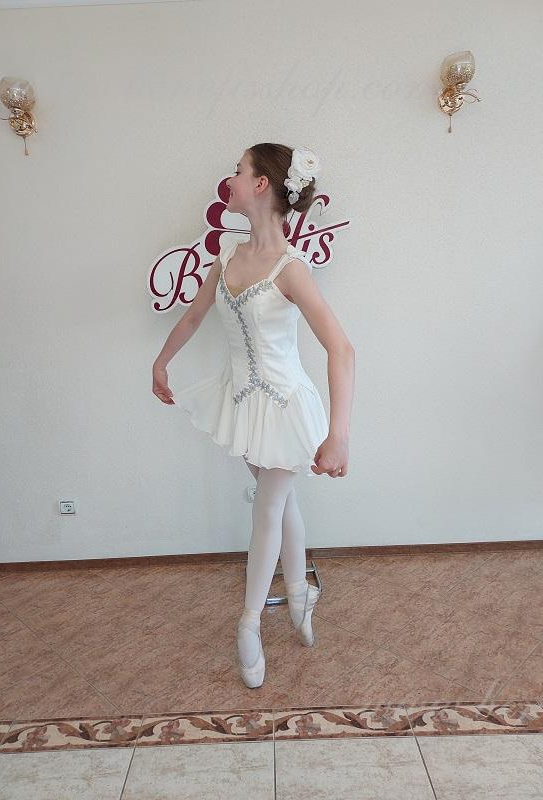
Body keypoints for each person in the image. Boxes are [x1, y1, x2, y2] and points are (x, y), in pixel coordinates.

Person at [152, 143, 355, 689]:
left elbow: (342, 348)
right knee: (282, 503)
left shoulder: (292, 269)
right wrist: (162, 362)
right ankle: (300, 597)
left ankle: (249, 623)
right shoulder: (227, 257)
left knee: (267, 510)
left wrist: (338, 434)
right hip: (242, 406)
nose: (232, 179)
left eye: (239, 171)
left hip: (286, 409)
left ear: (261, 184)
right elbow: (193, 318)